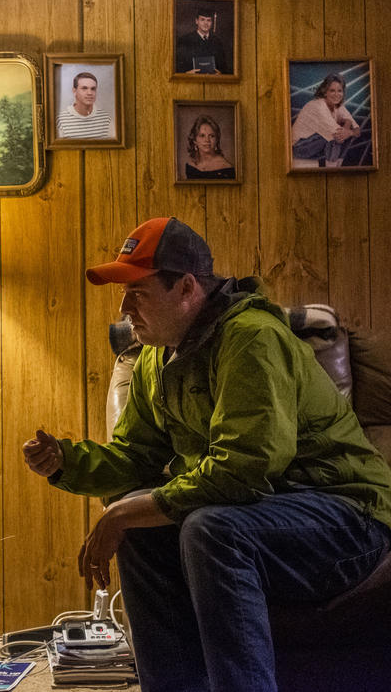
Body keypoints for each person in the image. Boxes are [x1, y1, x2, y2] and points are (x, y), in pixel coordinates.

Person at [21, 216, 391, 692]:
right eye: (121, 292)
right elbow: (137, 456)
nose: (124, 306)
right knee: (146, 532)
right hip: (261, 514)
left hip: (345, 517)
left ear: (187, 287)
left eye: (137, 291)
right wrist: (66, 463)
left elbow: (246, 467)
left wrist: (121, 513)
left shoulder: (251, 338)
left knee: (211, 527)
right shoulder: (157, 356)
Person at [291, 72, 361, 167]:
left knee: (346, 133)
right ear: (325, 92)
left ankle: (337, 165)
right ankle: (332, 168)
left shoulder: (338, 106)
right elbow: (339, 136)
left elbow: (357, 130)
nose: (336, 94)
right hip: (298, 147)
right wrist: (347, 127)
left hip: (313, 144)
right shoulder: (318, 106)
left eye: (339, 91)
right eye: (332, 91)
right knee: (334, 137)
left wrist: (348, 127)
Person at [175, 7, 231, 74]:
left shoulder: (217, 41)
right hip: (192, 81)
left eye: (208, 20)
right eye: (202, 20)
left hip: (213, 81)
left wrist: (220, 73)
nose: (206, 23)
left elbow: (223, 66)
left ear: (212, 23)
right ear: (196, 21)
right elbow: (177, 66)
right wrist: (186, 73)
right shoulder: (185, 40)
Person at [57, 72, 113, 139]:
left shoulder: (106, 119)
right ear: (74, 91)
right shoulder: (61, 121)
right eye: (84, 88)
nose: (89, 93)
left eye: (93, 89)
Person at [183, 115, 235, 180]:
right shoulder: (191, 166)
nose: (207, 140)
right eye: (202, 136)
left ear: (217, 140)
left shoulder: (227, 169)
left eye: (211, 136)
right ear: (194, 140)